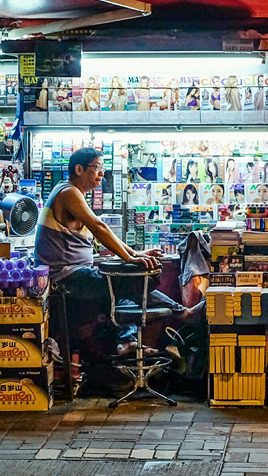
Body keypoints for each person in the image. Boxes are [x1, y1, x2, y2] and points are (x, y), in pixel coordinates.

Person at [34, 148, 187, 355]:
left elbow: (102, 234)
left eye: (102, 169)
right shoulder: (68, 192)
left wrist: (136, 254)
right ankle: (182, 314)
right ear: (79, 169)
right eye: (97, 168)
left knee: (123, 288)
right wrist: (131, 258)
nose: (102, 174)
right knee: (131, 280)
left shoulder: (71, 192)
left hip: (74, 273)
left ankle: (128, 340)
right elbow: (99, 228)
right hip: (66, 277)